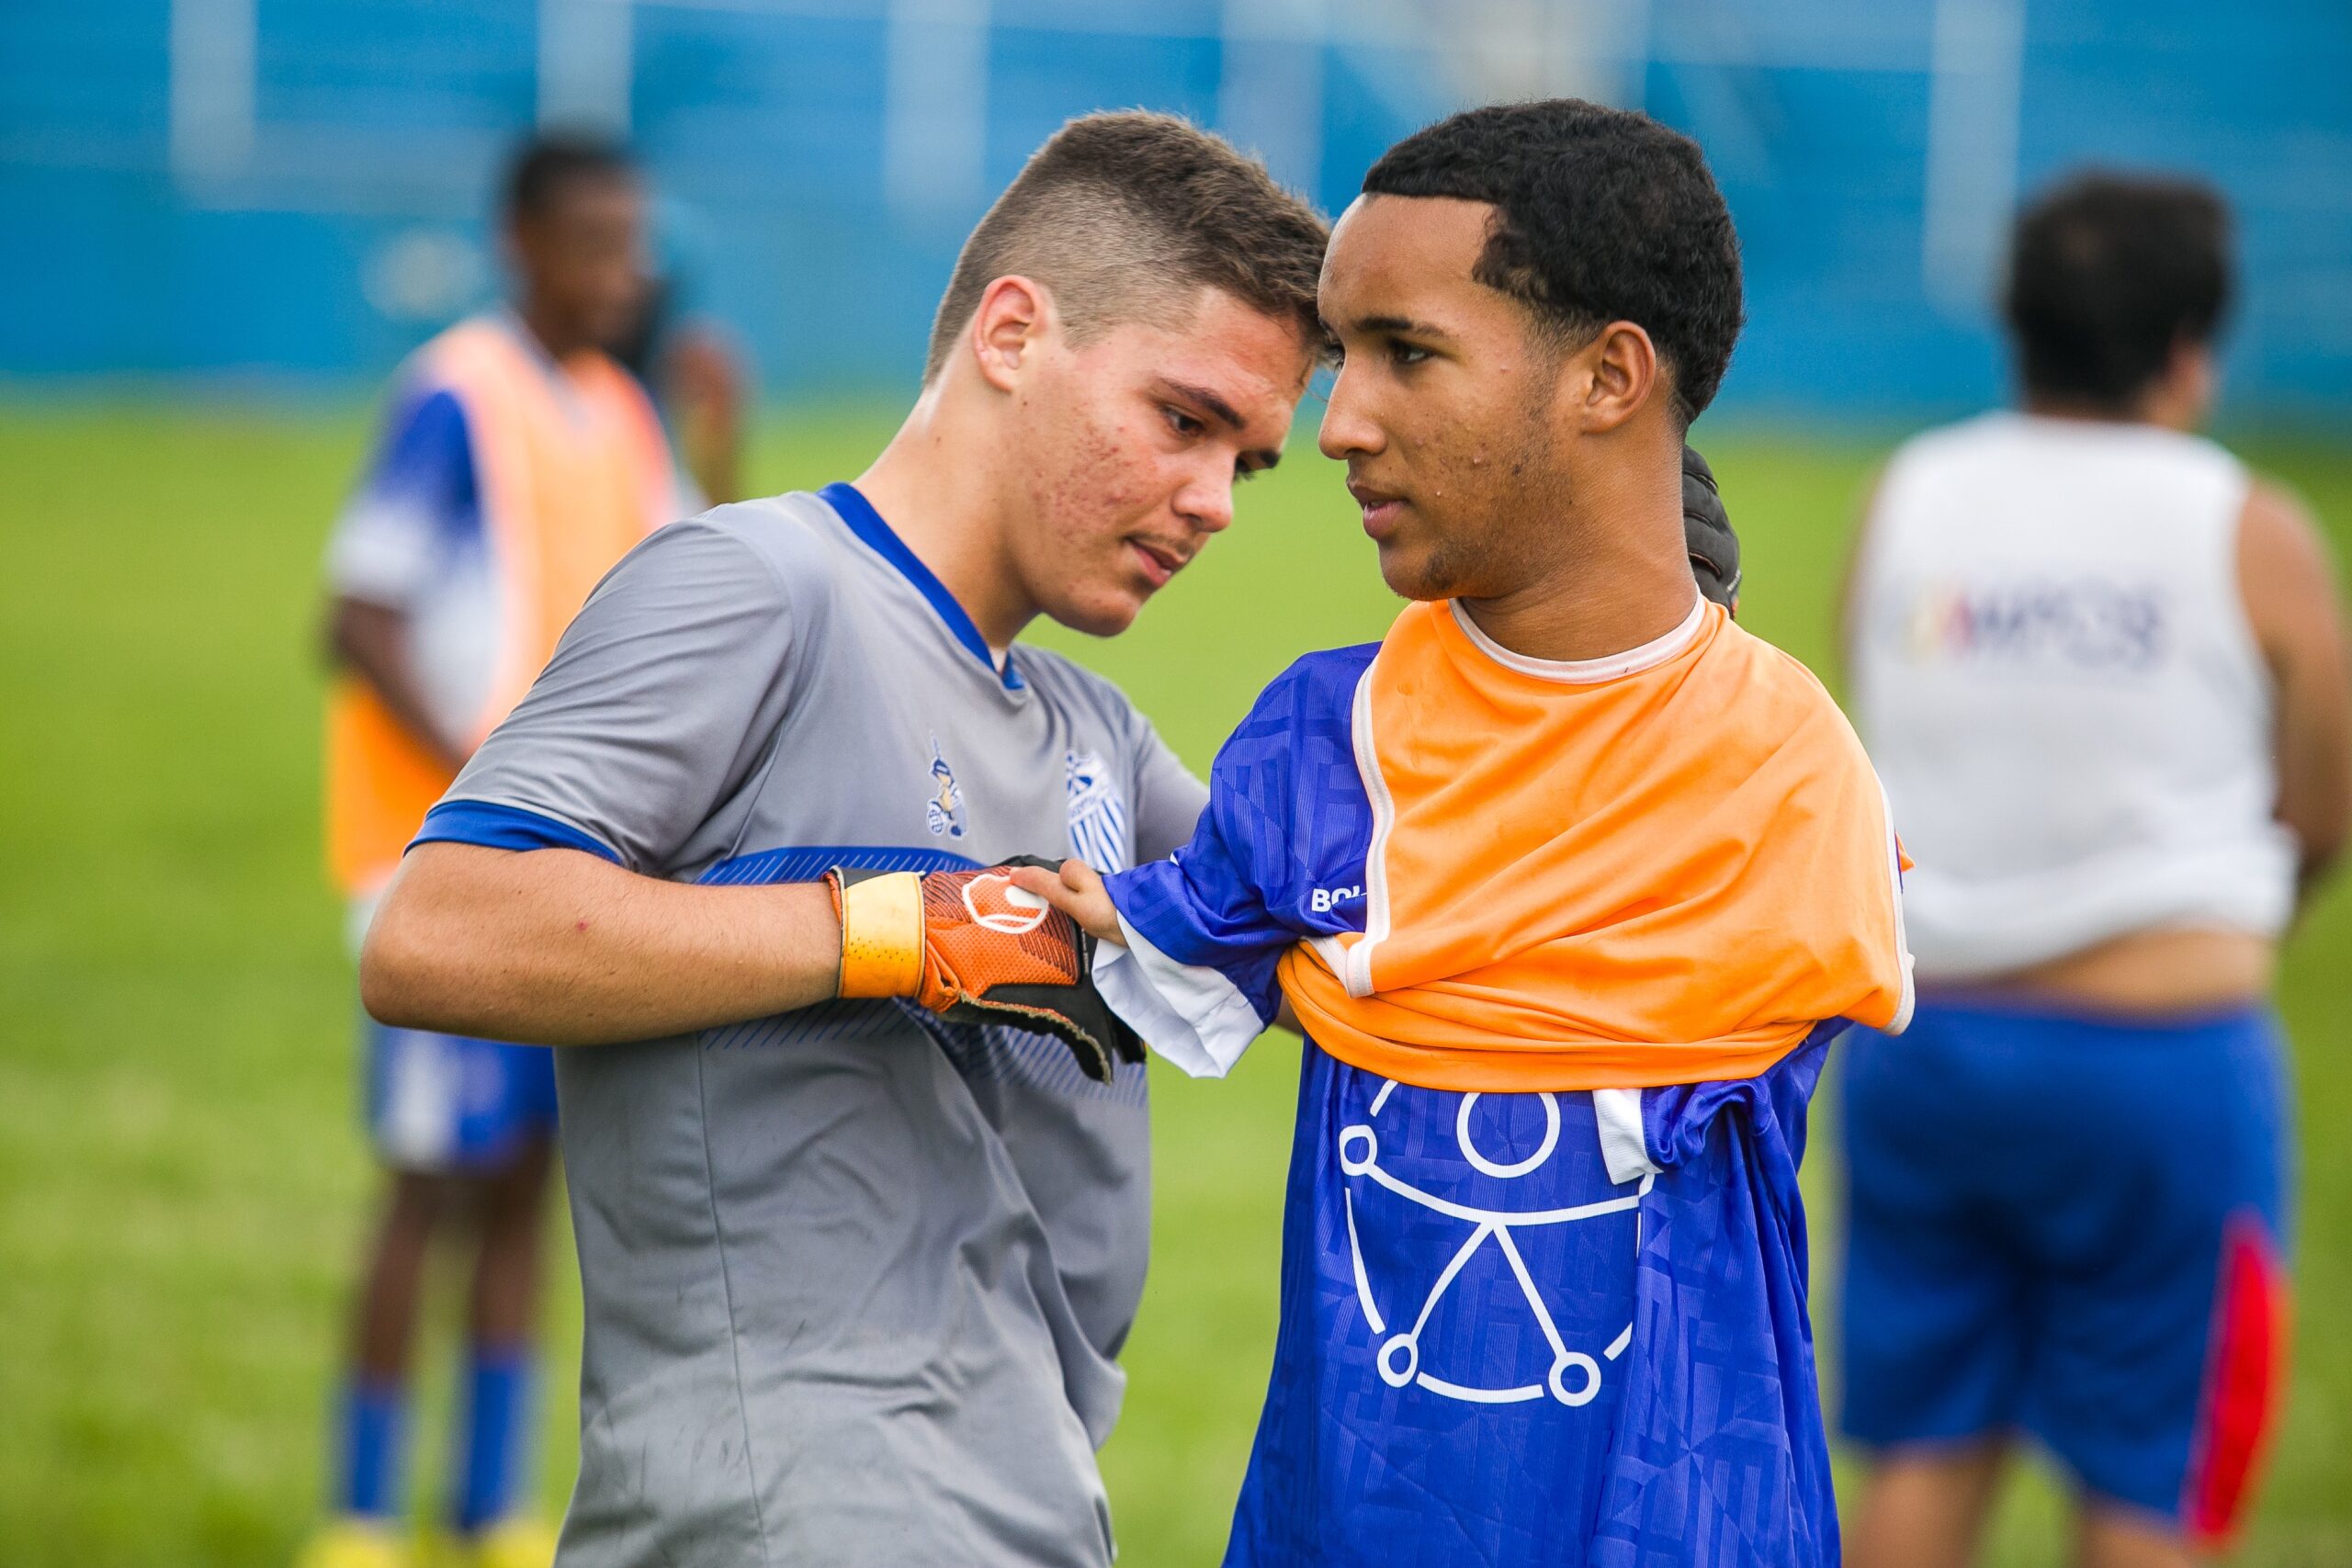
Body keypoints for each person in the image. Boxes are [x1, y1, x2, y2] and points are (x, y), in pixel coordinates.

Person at [356, 112, 1329, 1567]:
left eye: (1247, 465)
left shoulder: (1094, 731)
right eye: (1185, 421)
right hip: (802, 1508)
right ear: (1011, 333)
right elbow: (440, 928)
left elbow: (1357, 945)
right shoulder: (760, 586)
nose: (1210, 503)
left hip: (1036, 1492)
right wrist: (889, 933)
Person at [1012, 99, 1913, 1566]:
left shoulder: (1787, 777)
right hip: (1351, 1517)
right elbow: (1145, 941)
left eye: (1406, 354)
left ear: (1612, 376)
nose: (1340, 423)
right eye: (1342, 355)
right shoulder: (1327, 746)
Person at [1837, 173, 2352, 1568]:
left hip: (1921, 1047)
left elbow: (1868, 733)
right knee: (2146, 1481)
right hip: (2159, 1062)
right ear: (2194, 343)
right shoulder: (2250, 527)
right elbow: (2323, 800)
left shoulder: (1910, 496)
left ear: (2016, 328)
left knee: (1922, 1458)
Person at [303, 133, 689, 1568]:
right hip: (444, 873)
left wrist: (716, 438)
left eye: (633, 243)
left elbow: (691, 596)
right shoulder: (457, 398)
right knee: (428, 1189)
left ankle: (488, 1509)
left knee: (529, 1182)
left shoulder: (619, 411)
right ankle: (356, 1512)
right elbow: (356, 613)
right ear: (519, 242)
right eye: (594, 242)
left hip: (563, 873)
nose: (622, 271)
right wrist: (493, 772)